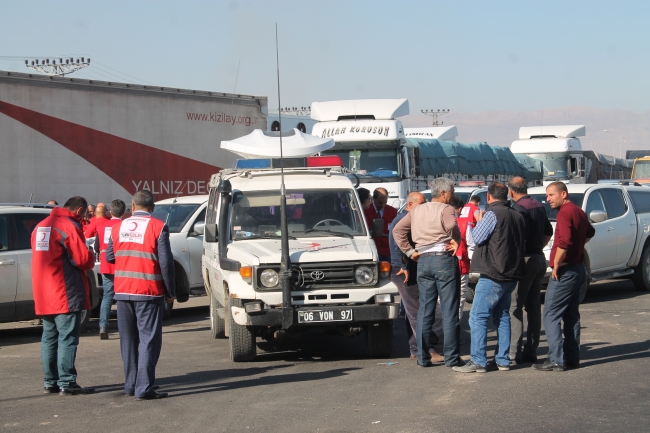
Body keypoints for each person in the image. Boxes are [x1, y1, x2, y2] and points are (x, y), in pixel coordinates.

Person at [106, 190, 176, 399]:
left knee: (127, 340)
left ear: (133, 206)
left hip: (122, 290)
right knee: (148, 340)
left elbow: (110, 256)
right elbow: (166, 262)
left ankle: (130, 385)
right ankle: (144, 388)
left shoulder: (118, 227)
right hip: (148, 291)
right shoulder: (158, 226)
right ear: (153, 208)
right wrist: (170, 292)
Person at [453, 183, 526, 373]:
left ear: (489, 197)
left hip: (493, 273)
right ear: (507, 195)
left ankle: (478, 360)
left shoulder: (492, 214)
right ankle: (502, 360)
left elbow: (477, 238)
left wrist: (477, 219)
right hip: (511, 273)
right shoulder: (517, 215)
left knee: (477, 316)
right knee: (502, 316)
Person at [393, 178, 463, 368]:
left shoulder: (416, 210)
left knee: (425, 309)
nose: (453, 196)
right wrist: (457, 240)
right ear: (443, 193)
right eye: (452, 192)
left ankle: (423, 357)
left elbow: (397, 229)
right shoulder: (445, 209)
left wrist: (409, 252)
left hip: (423, 260)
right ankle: (452, 357)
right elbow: (451, 226)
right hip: (443, 259)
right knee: (449, 310)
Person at [31, 196, 96, 395]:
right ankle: (67, 382)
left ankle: (50, 381)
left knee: (49, 338)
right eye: (84, 214)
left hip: (44, 292)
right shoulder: (68, 227)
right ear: (78, 211)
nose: (84, 218)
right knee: (67, 338)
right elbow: (83, 260)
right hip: (65, 292)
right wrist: (91, 254)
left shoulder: (40, 226)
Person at [534, 182, 594, 372]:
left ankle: (556, 359)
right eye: (547, 195)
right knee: (571, 315)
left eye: (551, 195)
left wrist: (557, 264)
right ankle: (571, 358)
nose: (548, 199)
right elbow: (590, 232)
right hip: (578, 269)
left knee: (551, 314)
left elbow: (565, 241)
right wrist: (578, 246)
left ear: (563, 194)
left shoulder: (565, 212)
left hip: (566, 271)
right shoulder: (578, 211)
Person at [389, 192, 445, 362]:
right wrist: (402, 265)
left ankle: (416, 347)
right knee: (417, 310)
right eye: (422, 202)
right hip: (403, 271)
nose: (425, 204)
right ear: (410, 205)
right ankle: (425, 350)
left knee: (414, 310)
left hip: (412, 268)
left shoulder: (413, 218)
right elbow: (395, 241)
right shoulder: (401, 220)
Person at [507, 177, 553, 364]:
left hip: (525, 260)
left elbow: (516, 237)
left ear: (511, 191)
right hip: (538, 259)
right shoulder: (538, 205)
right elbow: (548, 231)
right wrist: (538, 248)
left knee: (514, 307)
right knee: (533, 307)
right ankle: (531, 350)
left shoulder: (518, 208)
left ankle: (514, 352)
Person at [94, 199, 127, 340]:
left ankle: (103, 326)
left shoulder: (102, 226)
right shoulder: (124, 226)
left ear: (110, 212)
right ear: (123, 213)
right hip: (122, 266)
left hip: (106, 265)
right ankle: (124, 327)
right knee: (123, 298)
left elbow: (96, 247)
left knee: (107, 297)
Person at [451, 196, 472, 320]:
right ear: (459, 209)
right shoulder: (465, 224)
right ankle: (455, 328)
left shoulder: (438, 221)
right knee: (459, 298)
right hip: (461, 265)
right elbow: (472, 245)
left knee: (440, 299)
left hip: (441, 264)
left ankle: (440, 330)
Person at [364, 187, 397, 262]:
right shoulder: (366, 210)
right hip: (371, 248)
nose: (383, 205)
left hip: (387, 250)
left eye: (385, 202)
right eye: (380, 202)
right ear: (374, 199)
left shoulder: (392, 211)